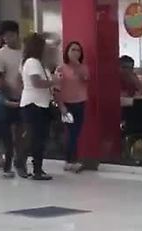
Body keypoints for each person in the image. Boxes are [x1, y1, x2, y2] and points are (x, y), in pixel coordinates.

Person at [18, 33, 55, 181]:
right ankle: (30, 166)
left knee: (40, 137)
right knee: (35, 138)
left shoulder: (39, 63)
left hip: (41, 103)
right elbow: (36, 83)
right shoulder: (32, 62)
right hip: (34, 104)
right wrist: (54, 82)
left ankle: (36, 168)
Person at [0, 21, 25, 177]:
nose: (7, 38)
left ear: (17, 34)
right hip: (7, 97)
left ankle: (19, 160)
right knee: (4, 132)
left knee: (20, 131)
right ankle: (1, 156)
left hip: (25, 97)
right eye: (4, 36)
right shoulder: (0, 55)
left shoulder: (25, 52)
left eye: (10, 35)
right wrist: (10, 88)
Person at [57, 41, 89, 173]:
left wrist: (77, 68)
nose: (76, 53)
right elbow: (56, 89)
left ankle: (71, 160)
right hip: (67, 104)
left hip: (80, 103)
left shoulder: (84, 67)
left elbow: (86, 80)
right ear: (67, 52)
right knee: (70, 132)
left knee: (76, 132)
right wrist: (61, 106)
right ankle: (70, 160)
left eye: (78, 50)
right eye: (73, 50)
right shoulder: (61, 69)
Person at [0, 70, 18, 177]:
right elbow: (5, 103)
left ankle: (7, 168)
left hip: (4, 122)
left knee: (9, 146)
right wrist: (21, 103)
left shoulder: (4, 93)